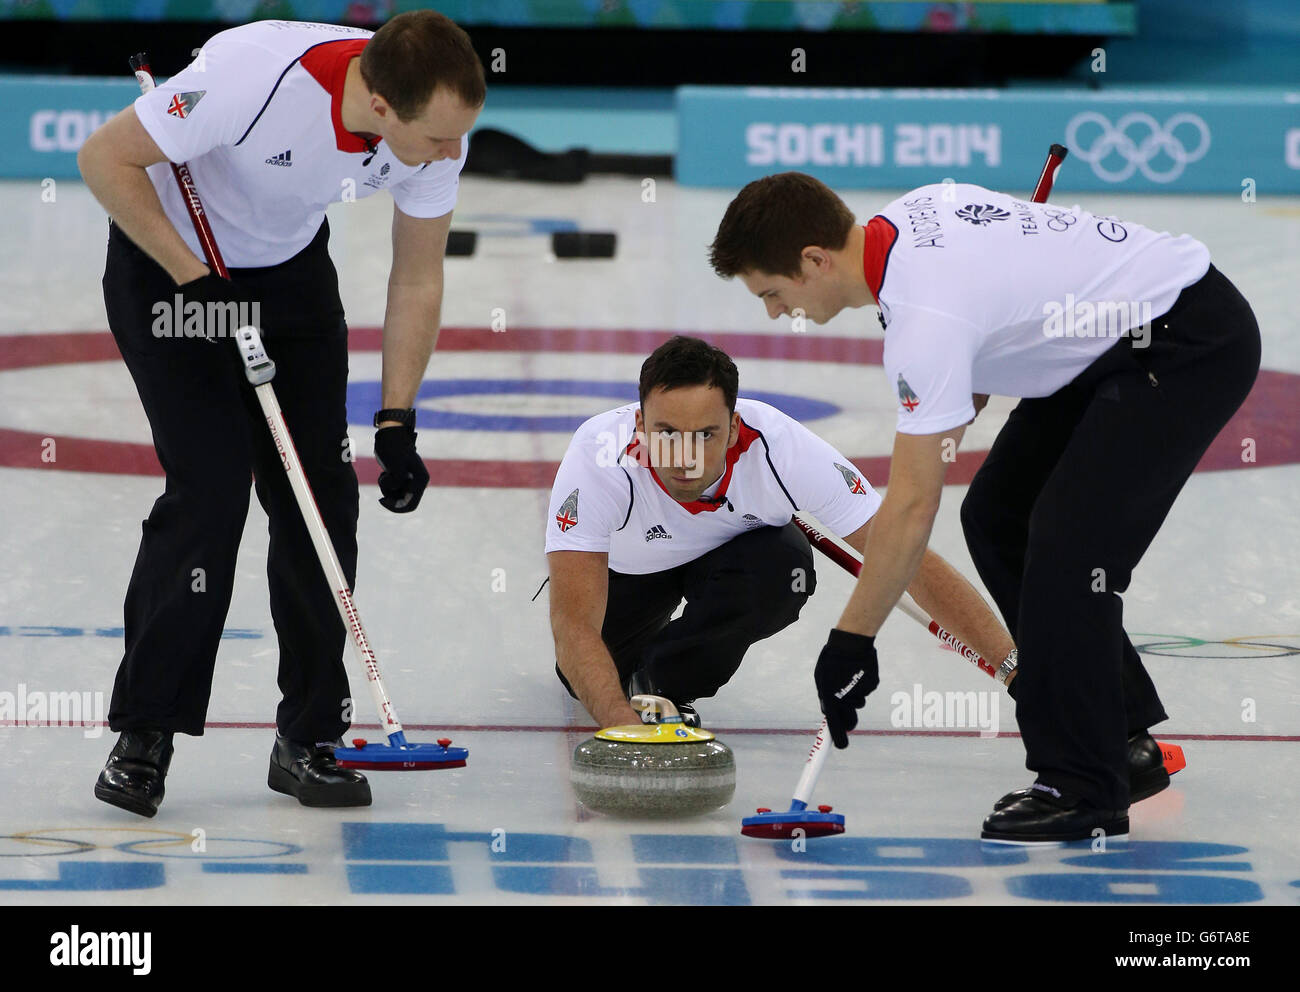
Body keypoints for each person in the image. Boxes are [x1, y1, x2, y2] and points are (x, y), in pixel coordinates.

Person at [709, 172, 1260, 843]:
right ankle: (1118, 737)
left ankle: (1084, 783)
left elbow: (912, 508)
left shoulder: (925, 315)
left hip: (1183, 342)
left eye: (772, 293)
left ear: (815, 261)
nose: (773, 311)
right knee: (999, 514)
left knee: (1068, 551)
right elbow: (964, 375)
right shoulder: (910, 218)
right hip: (1103, 344)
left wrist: (852, 639)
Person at [77, 12, 485, 815]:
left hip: (289, 276)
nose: (452, 153)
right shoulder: (254, 77)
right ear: (377, 101)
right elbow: (103, 158)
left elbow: (417, 277)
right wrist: (194, 280)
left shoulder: (436, 134)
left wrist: (397, 418)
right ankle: (145, 734)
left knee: (320, 502)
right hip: (173, 268)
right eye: (437, 138)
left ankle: (307, 737)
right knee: (211, 492)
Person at [544, 334, 1018, 730]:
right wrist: (618, 724)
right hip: (628, 575)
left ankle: (665, 683)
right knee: (585, 679)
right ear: (640, 425)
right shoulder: (599, 457)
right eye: (666, 432)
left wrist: (1016, 670)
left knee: (781, 566)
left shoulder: (780, 447)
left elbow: (907, 557)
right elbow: (574, 623)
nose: (683, 456)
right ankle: (637, 675)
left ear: (733, 429)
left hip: (726, 560)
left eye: (705, 434)